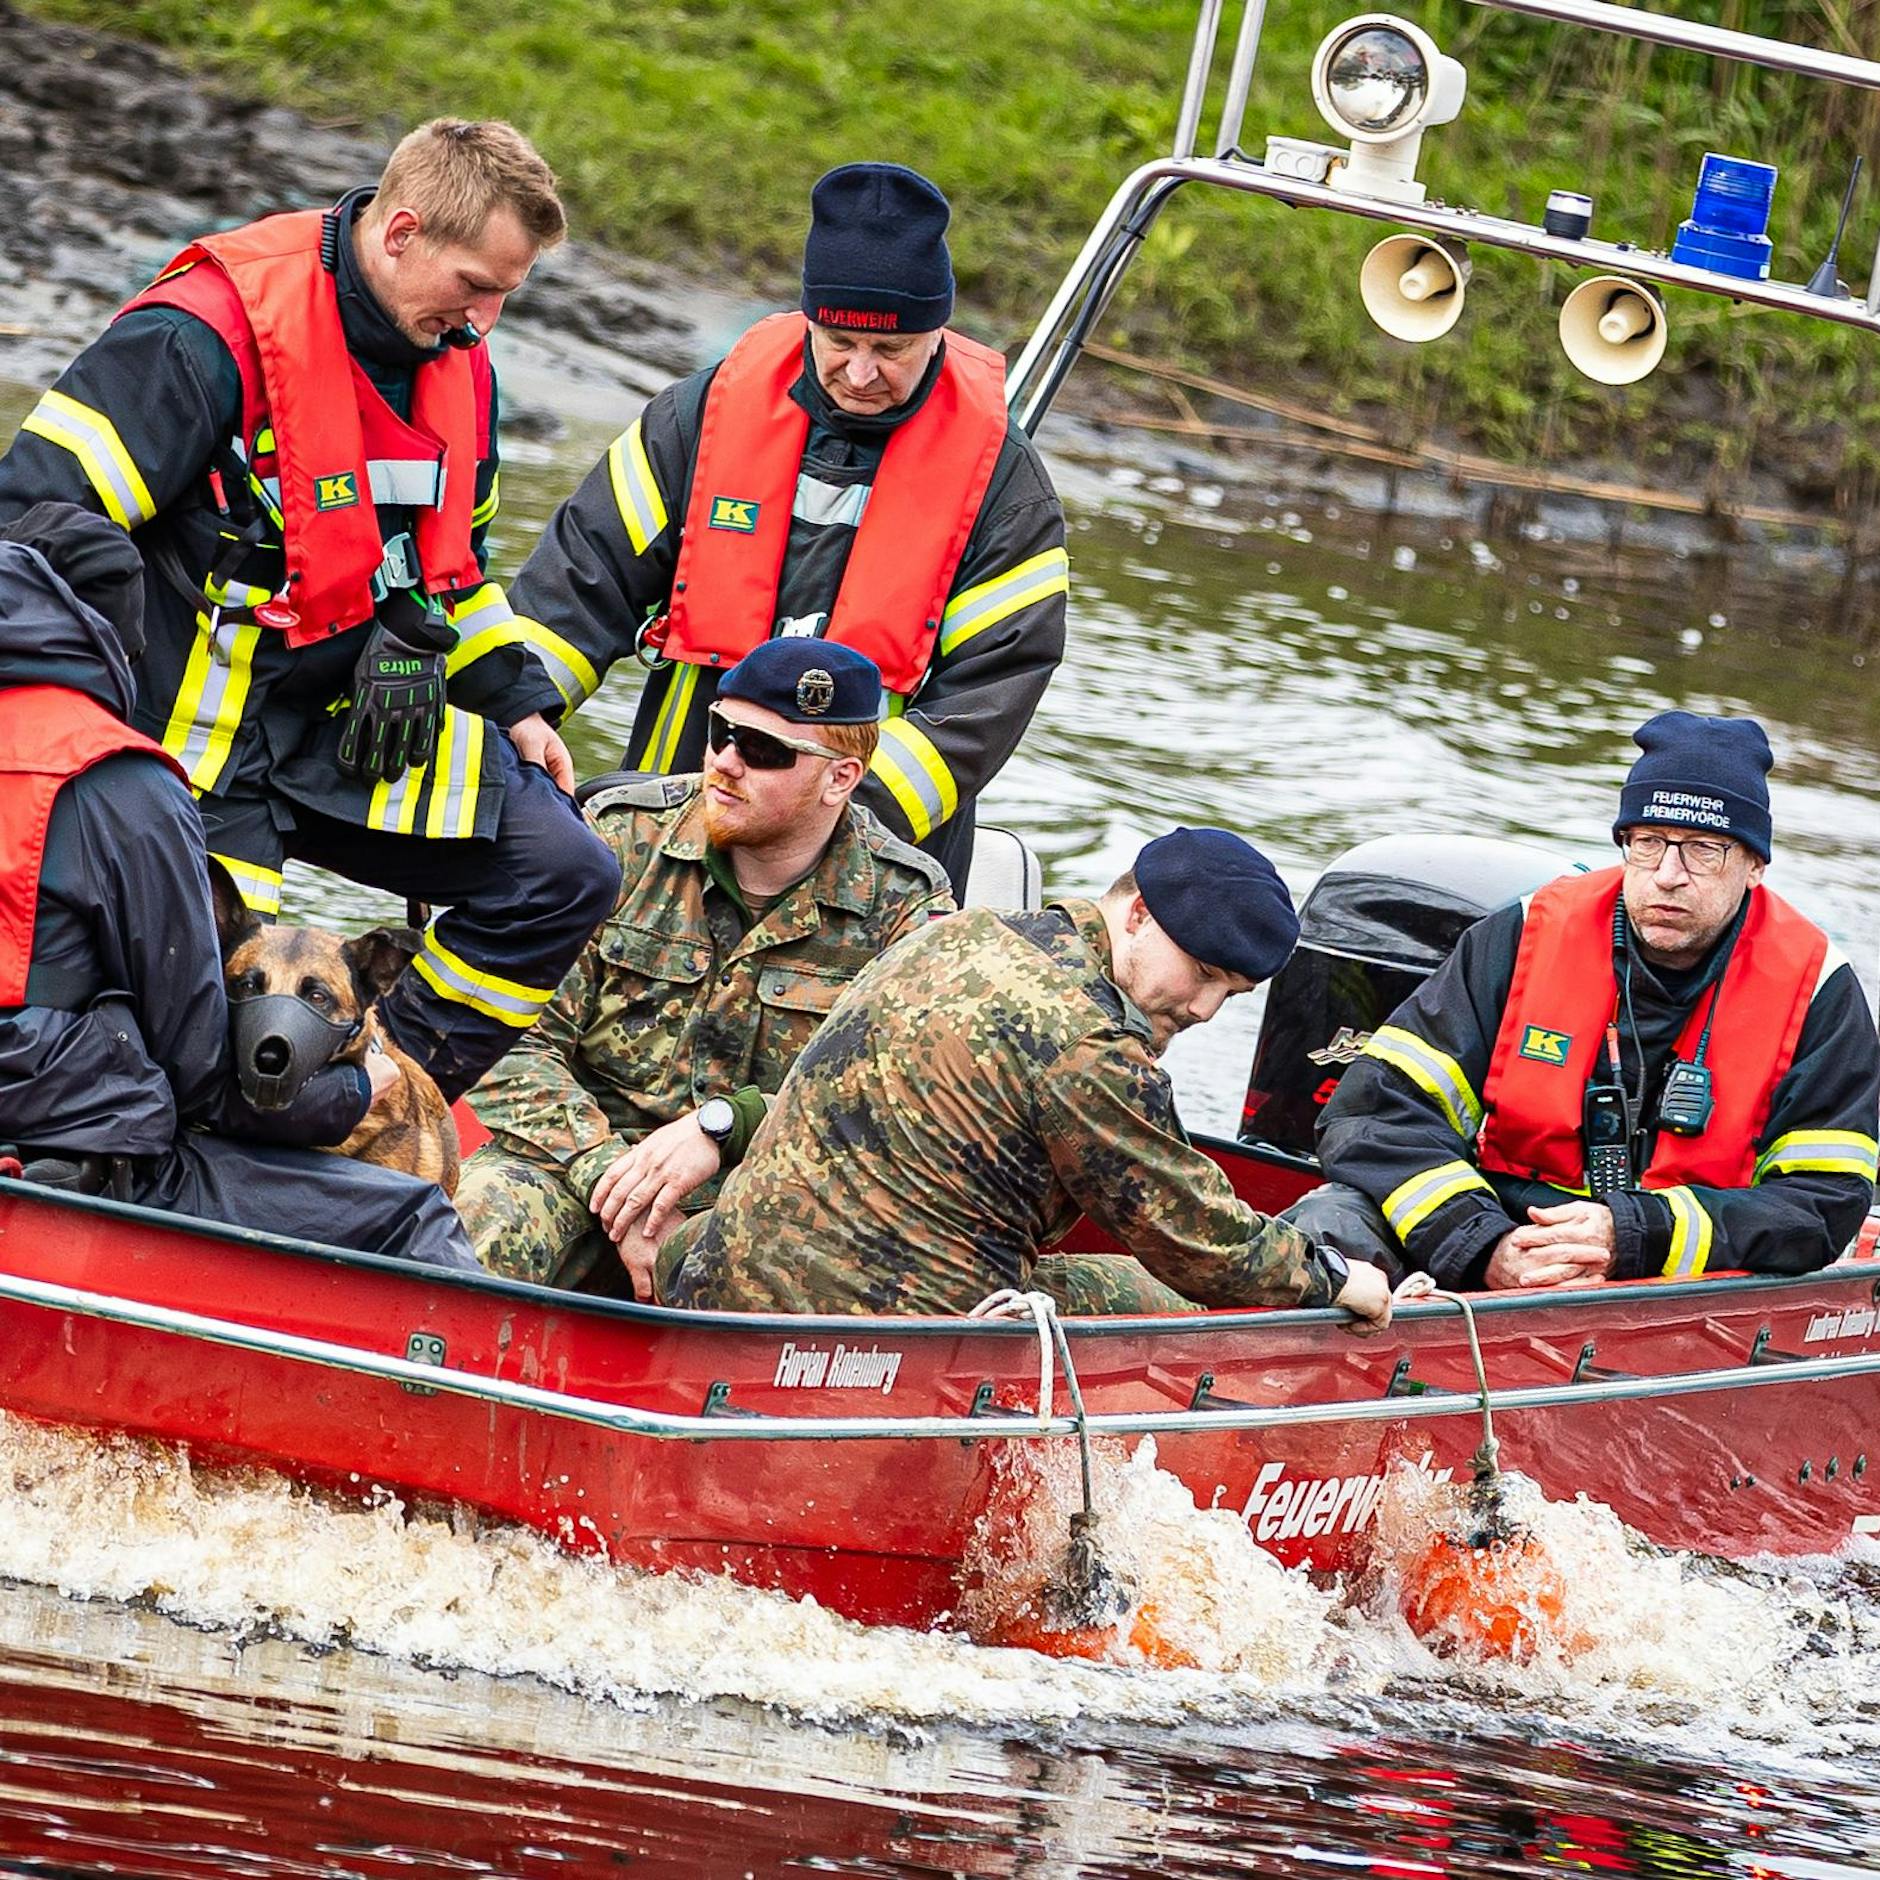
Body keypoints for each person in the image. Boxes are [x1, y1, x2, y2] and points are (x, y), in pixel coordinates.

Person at [0, 119, 618, 1104]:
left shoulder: (457, 358)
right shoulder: (201, 338)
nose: (485, 321)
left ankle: (376, 1097)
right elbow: (29, 533)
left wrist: (518, 704)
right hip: (186, 751)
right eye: (475, 286)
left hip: (351, 731)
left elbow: (457, 570)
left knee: (563, 869)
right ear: (401, 232)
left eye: (508, 293)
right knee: (203, 1036)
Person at [506, 161, 1069, 896]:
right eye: (839, 341)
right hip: (680, 814)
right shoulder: (699, 419)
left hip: (871, 861)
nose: (860, 374)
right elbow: (581, 584)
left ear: (938, 331)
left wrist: (826, 828)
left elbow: (987, 697)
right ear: (809, 320)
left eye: (891, 350)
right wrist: (513, 718)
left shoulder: (1005, 488)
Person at [657, 826, 1393, 1326]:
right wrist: (1334, 1278)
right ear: (1138, 914)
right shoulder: (1091, 1044)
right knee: (1162, 1295)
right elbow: (1199, 1241)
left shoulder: (956, 933)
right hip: (892, 1334)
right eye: (1202, 973)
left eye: (1231, 994)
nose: (1203, 1009)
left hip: (714, 1282)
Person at [0, 502, 475, 1268]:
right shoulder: (121, 781)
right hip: (66, 1134)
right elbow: (196, 1068)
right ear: (116, 638)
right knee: (413, 1216)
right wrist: (354, 1092)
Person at [1297, 711, 1880, 1289]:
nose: (1668, 874)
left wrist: (1632, 1237)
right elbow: (1375, 1114)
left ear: (1754, 866)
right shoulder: (1524, 937)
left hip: (1677, 1275)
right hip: (1497, 1232)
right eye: (1648, 842)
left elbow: (1822, 1203)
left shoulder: (1816, 988)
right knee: (1330, 1222)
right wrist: (1483, 1245)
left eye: (1704, 849)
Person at [460, 639, 954, 1296]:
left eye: (764, 750)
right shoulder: (618, 838)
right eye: (720, 732)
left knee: (802, 1284)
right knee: (481, 1220)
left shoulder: (905, 906)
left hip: (768, 1194)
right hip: (583, 1160)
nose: (725, 762)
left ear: (840, 778)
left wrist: (729, 1126)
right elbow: (507, 1037)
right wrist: (616, 1182)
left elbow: (902, 1102)